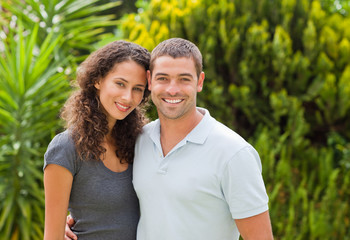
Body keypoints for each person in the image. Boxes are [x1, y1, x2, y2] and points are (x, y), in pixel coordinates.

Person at [66, 38, 273, 239]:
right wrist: (78, 223)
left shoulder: (233, 154)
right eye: (163, 78)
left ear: (200, 82)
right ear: (149, 81)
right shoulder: (138, 140)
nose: (172, 89)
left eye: (184, 79)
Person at [43, 40, 150, 240]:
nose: (128, 97)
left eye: (138, 88)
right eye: (120, 83)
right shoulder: (66, 148)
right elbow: (52, 237)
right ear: (98, 80)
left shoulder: (142, 143)